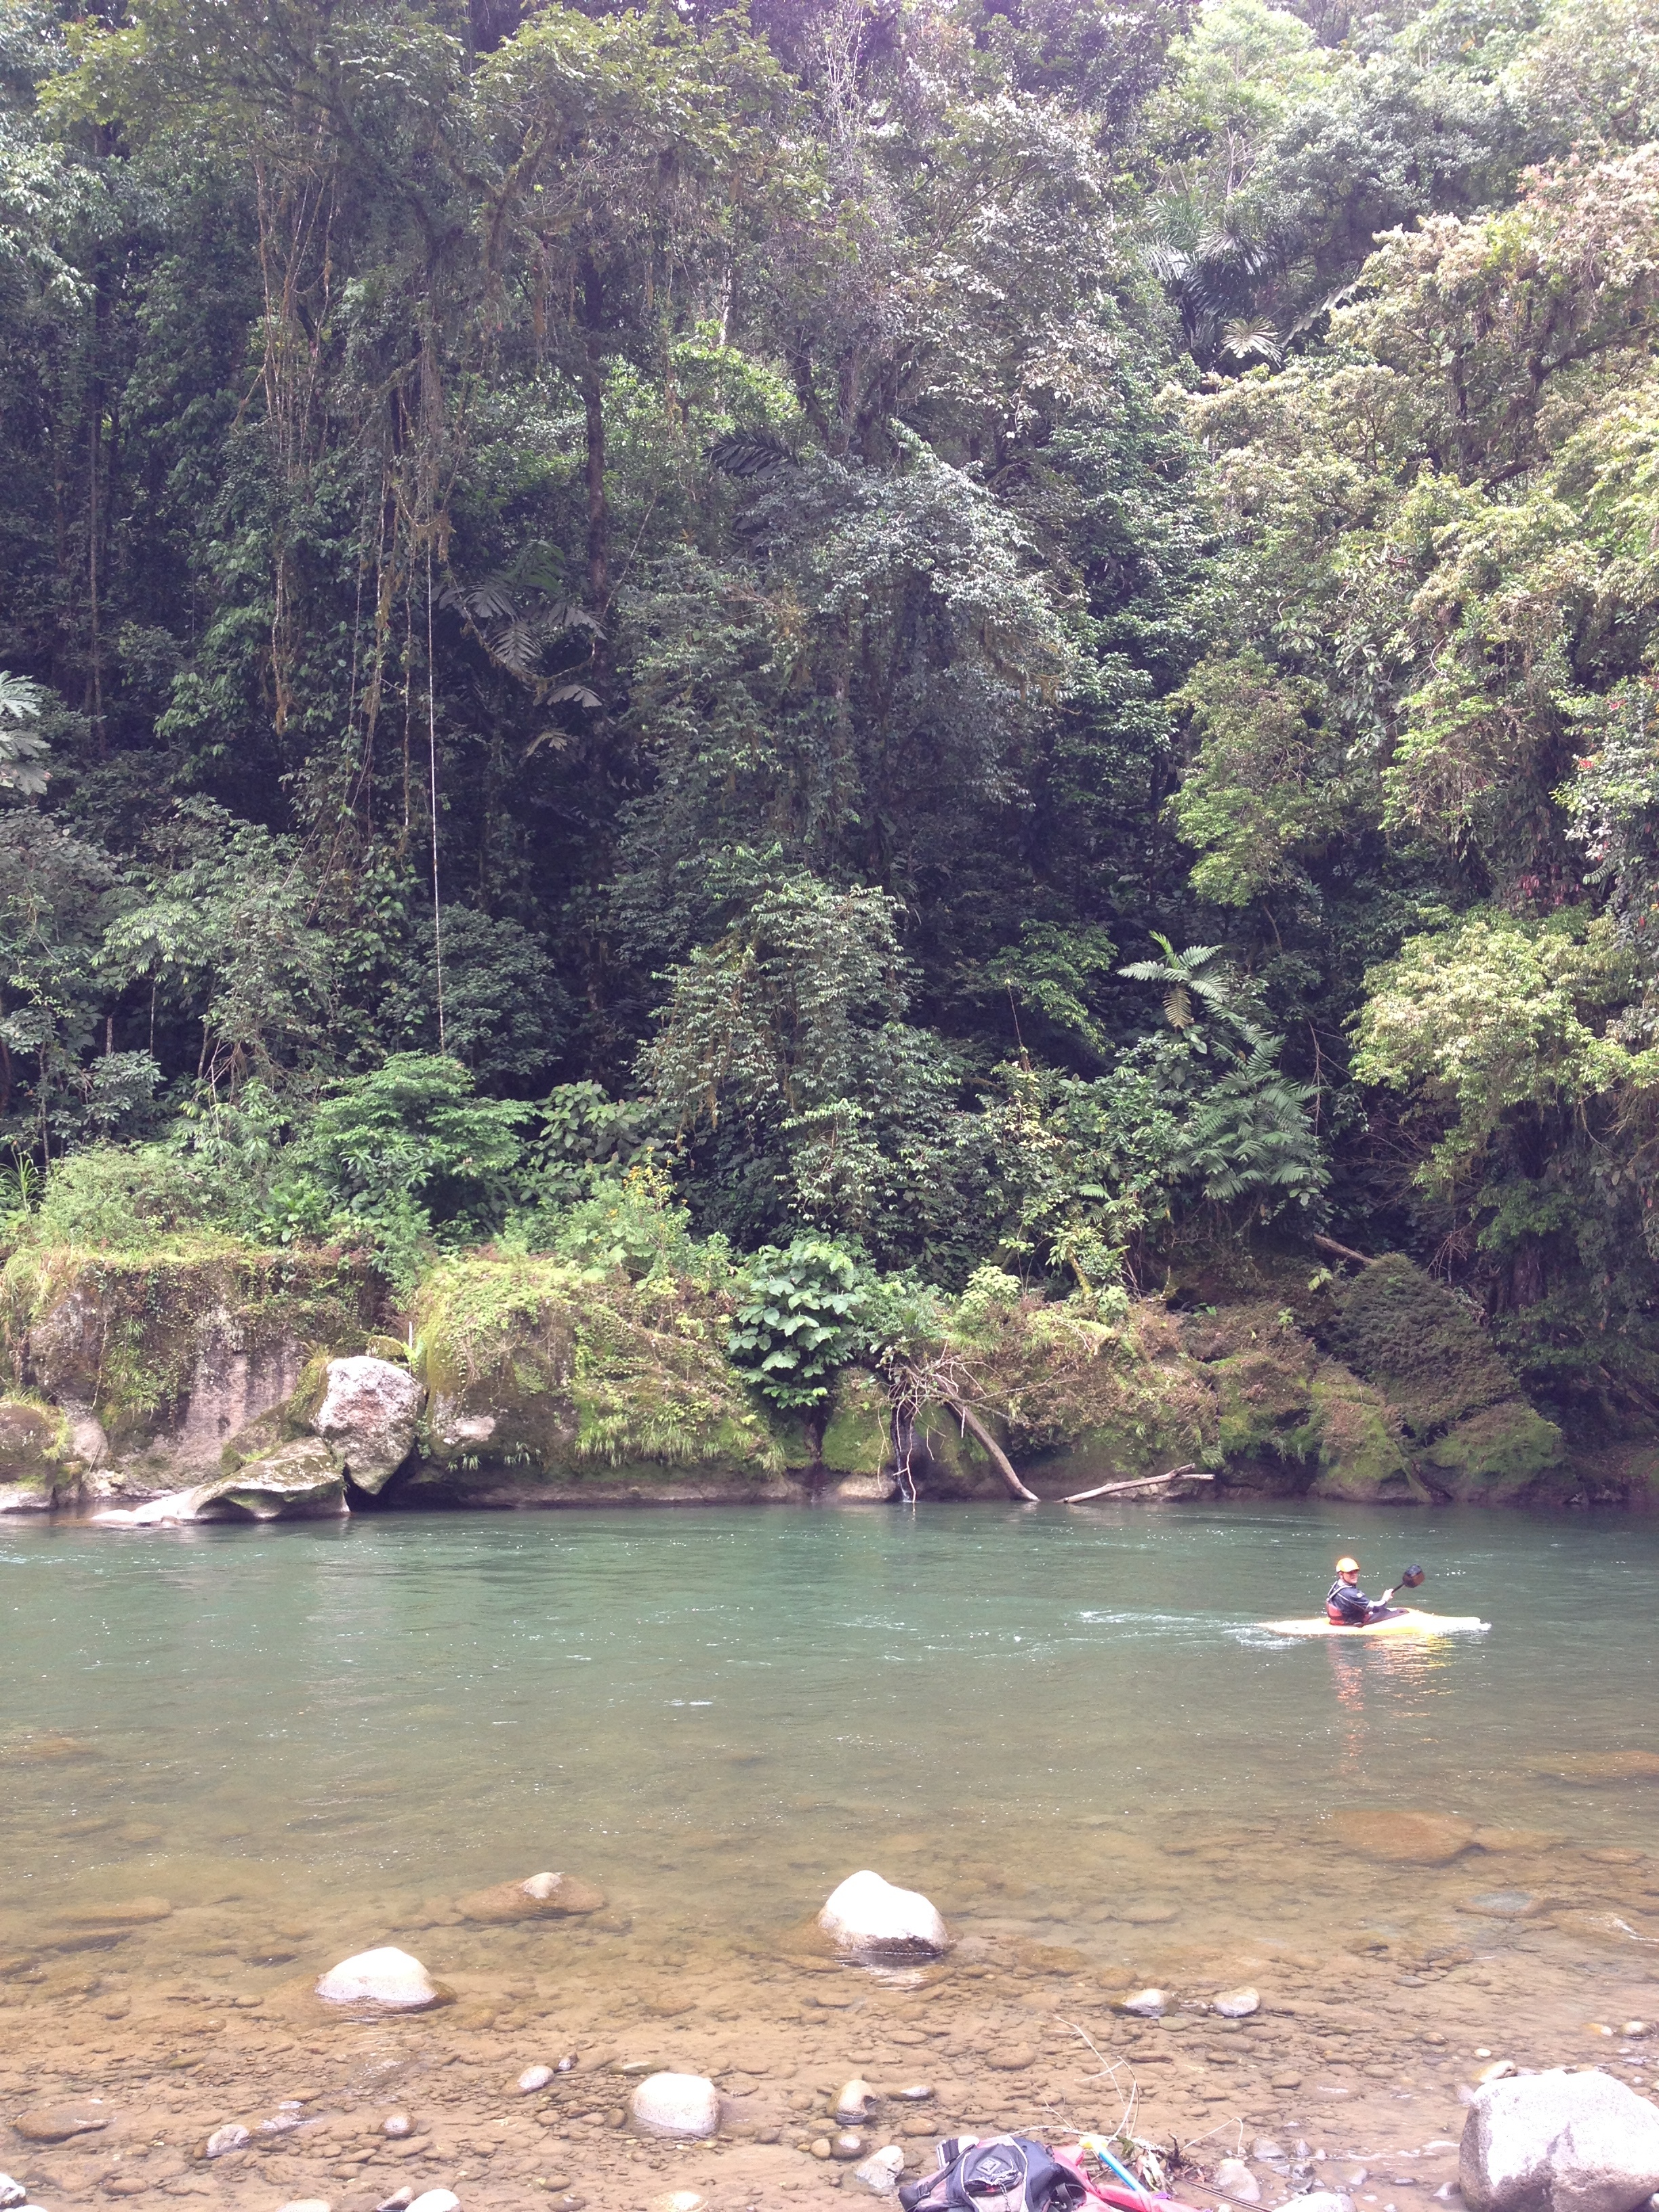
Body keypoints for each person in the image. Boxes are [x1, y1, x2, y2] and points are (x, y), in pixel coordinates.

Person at [1326, 1555, 1396, 1626]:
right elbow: (1376, 1608)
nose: (1354, 1575)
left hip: (1342, 1620)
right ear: (1341, 1574)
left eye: (1356, 1571)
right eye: (1350, 1573)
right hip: (1353, 1623)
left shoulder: (1337, 1584)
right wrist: (1385, 1598)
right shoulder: (1350, 1594)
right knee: (1401, 1612)